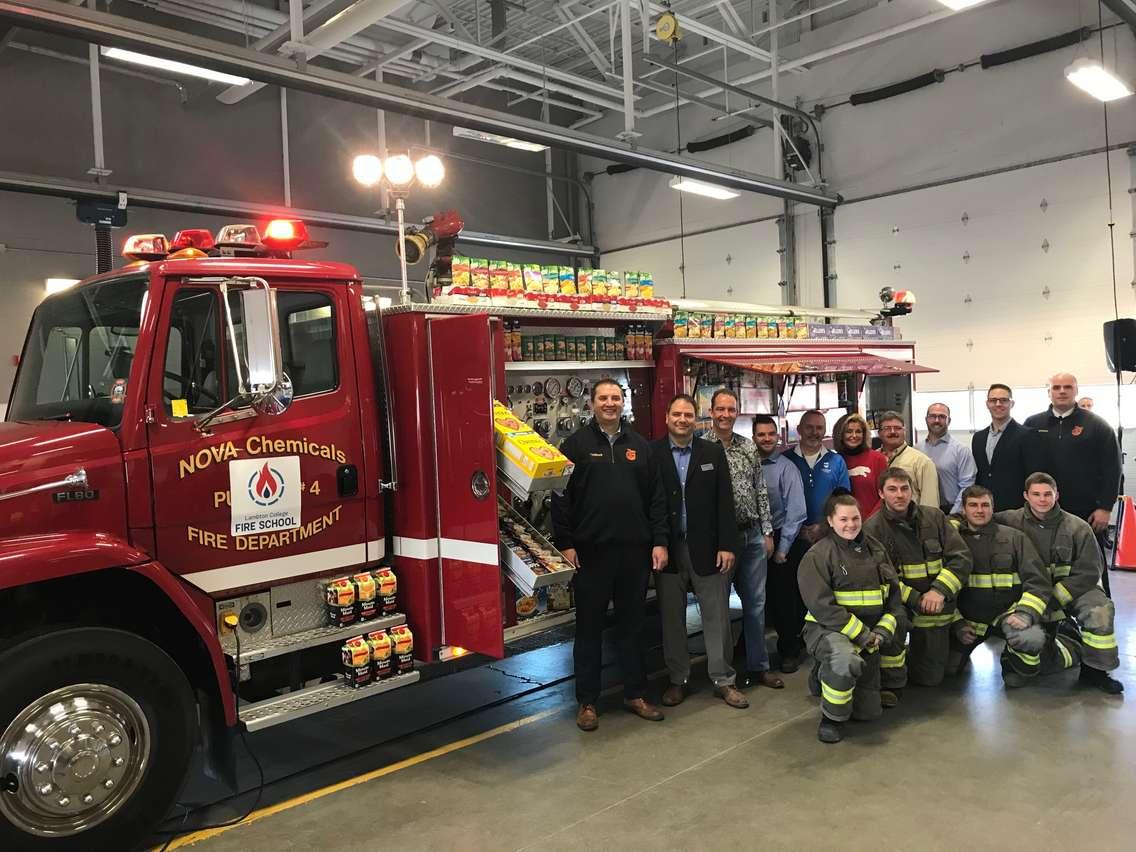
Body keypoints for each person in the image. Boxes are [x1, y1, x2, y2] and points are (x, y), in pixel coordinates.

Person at [552, 379, 670, 731]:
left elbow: (657, 499)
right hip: (591, 554)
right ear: (592, 404)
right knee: (588, 629)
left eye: (615, 398)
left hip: (634, 554)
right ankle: (587, 702)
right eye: (603, 398)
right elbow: (560, 497)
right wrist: (567, 543)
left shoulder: (641, 447)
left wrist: (659, 541)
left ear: (624, 403)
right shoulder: (575, 445)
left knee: (633, 627)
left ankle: (636, 693)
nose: (609, 403)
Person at [650, 395, 747, 709]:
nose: (682, 419)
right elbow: (651, 504)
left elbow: (725, 502)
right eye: (676, 414)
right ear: (666, 417)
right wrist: (657, 542)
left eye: (688, 415)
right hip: (668, 549)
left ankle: (723, 679)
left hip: (708, 547)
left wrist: (727, 545)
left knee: (716, 615)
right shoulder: (653, 454)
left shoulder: (712, 452)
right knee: (672, 618)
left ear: (697, 419)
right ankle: (678, 679)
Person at [995, 472, 1124, 694]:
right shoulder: (1009, 520)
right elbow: (978, 517)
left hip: (1074, 590)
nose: (1042, 499)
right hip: (1030, 592)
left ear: (1057, 495)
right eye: (1036, 494)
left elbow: (1090, 571)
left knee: (1100, 612)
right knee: (1027, 634)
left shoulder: (1077, 527)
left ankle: (1095, 670)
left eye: (1048, 494)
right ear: (1026, 496)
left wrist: (1055, 597)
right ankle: (1017, 665)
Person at [798, 493, 905, 743]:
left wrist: (882, 631)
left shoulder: (876, 549)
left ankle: (824, 674)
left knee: (868, 713)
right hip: (827, 630)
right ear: (831, 521)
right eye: (843, 519)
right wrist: (864, 635)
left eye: (855, 518)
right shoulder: (817, 556)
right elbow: (823, 608)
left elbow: (894, 599)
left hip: (869, 633)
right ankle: (832, 718)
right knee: (844, 660)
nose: (850, 524)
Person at [949, 485, 1076, 687]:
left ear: (993, 508)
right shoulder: (953, 540)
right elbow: (945, 588)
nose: (980, 510)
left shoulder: (1014, 538)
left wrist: (1025, 613)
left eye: (985, 505)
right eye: (973, 505)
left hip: (1008, 615)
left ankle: (1061, 645)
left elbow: (1038, 582)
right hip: (969, 621)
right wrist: (957, 624)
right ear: (963, 510)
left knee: (1031, 640)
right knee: (945, 670)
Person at [863, 467, 971, 697]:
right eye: (892, 489)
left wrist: (939, 591)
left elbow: (961, 558)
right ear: (881, 493)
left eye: (905, 489)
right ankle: (892, 680)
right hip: (902, 605)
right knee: (896, 624)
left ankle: (947, 644)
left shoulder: (935, 517)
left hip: (937, 607)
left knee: (930, 679)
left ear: (913, 491)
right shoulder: (872, 529)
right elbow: (882, 578)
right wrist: (917, 599)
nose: (900, 495)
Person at [703, 391, 780, 688]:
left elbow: (760, 490)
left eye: (731, 409)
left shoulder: (747, 447)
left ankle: (758, 666)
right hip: (719, 540)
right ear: (711, 412)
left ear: (738, 412)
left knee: (756, 605)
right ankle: (725, 676)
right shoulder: (702, 448)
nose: (725, 414)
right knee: (720, 609)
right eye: (720, 409)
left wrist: (767, 532)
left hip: (752, 536)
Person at [1024, 373, 1120, 536]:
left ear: (1076, 391)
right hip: (1042, 508)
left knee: (1087, 559)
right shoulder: (1032, 424)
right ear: (1049, 393)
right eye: (1056, 387)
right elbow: (1023, 465)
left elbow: (1112, 469)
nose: (1062, 391)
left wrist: (1105, 508)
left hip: (1086, 511)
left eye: (1068, 387)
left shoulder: (1097, 426)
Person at [753, 414, 809, 673]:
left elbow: (796, 511)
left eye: (770, 434)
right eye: (761, 434)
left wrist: (782, 549)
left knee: (784, 599)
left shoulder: (787, 467)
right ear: (753, 437)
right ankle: (753, 649)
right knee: (755, 598)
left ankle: (789, 650)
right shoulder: (748, 464)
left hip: (782, 538)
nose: (766, 438)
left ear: (778, 436)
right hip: (753, 538)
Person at [784, 410, 852, 539]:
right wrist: (795, 528)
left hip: (828, 536)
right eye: (809, 427)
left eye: (819, 428)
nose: (814, 432)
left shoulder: (837, 461)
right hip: (791, 539)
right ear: (799, 429)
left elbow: (843, 500)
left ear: (825, 431)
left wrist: (824, 525)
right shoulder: (785, 460)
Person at [971, 383, 1035, 512]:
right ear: (987, 404)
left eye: (1004, 400)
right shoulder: (978, 438)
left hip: (1016, 509)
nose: (998, 404)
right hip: (984, 508)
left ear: (1012, 404)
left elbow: (1032, 476)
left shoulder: (1027, 435)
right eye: (993, 400)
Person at [916, 403, 976, 514]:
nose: (937, 420)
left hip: (951, 509)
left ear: (949, 420)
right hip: (923, 510)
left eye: (942, 417)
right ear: (926, 419)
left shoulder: (961, 451)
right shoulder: (917, 449)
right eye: (932, 416)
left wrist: (954, 515)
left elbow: (967, 486)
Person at [876, 410, 940, 508]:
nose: (893, 432)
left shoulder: (922, 462)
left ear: (904, 431)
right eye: (887, 428)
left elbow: (930, 505)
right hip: (878, 520)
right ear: (879, 433)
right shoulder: (873, 459)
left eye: (897, 428)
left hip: (910, 521)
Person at [832, 412, 888, 519]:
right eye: (849, 431)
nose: (854, 436)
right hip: (842, 526)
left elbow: (885, 495)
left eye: (858, 431)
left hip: (873, 525)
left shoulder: (878, 459)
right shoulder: (834, 461)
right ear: (840, 434)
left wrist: (870, 522)